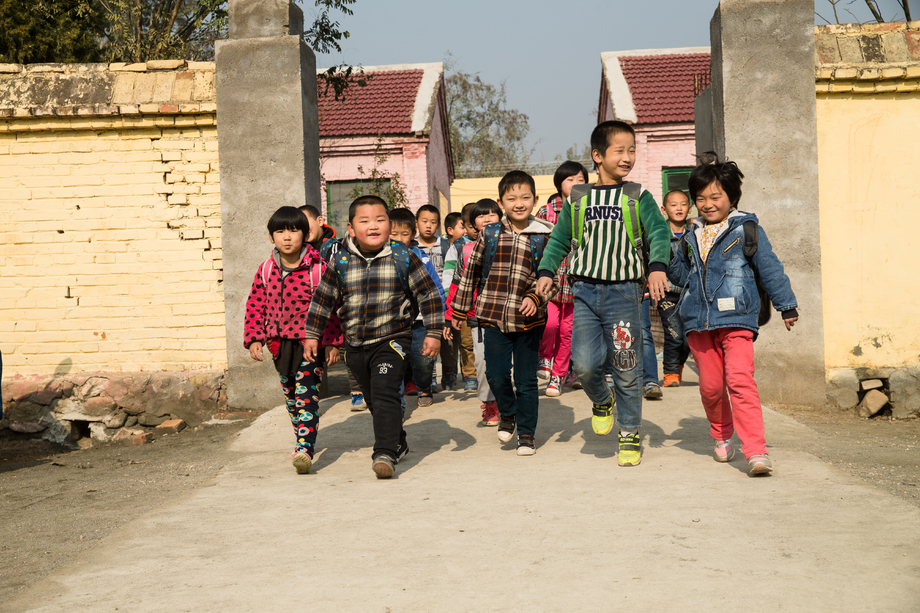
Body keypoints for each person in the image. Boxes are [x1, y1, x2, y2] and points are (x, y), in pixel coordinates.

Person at [536, 120, 671, 467]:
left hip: (624, 294)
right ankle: (601, 399)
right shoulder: (578, 198)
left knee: (627, 367)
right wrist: (547, 272)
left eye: (632, 150)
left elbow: (658, 232)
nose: (627, 157)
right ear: (597, 155)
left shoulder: (638, 196)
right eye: (619, 150)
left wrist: (657, 266)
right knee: (582, 364)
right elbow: (559, 239)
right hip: (584, 292)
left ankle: (629, 433)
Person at [668, 153, 798, 476]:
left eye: (715, 197)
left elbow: (769, 267)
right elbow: (678, 275)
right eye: (701, 199)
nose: (707, 204)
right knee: (711, 387)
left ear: (731, 197)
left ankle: (756, 451)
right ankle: (722, 433)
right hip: (698, 322)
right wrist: (661, 251)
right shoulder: (689, 235)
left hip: (737, 318)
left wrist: (787, 304)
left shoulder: (746, 228)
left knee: (740, 380)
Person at [304, 196, 443, 479]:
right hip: (355, 343)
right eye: (365, 221)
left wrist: (434, 331)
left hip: (393, 338)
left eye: (380, 220)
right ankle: (398, 440)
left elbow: (428, 293)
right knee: (372, 399)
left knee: (384, 392)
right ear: (351, 228)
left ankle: (384, 452)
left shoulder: (403, 255)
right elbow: (323, 299)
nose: (374, 226)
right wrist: (312, 334)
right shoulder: (340, 259)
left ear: (390, 225)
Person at [452, 171, 555, 456]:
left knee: (526, 380)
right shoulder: (490, 233)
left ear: (535, 200)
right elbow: (470, 273)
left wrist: (536, 296)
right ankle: (507, 413)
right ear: (501, 202)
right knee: (496, 375)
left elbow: (555, 279)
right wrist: (458, 311)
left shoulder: (545, 235)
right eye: (511, 198)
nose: (518, 203)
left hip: (528, 321)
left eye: (525, 198)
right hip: (493, 316)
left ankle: (526, 434)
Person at [244, 206, 343, 475]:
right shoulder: (266, 270)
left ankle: (304, 449)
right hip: (279, 344)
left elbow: (332, 306)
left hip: (311, 343)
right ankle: (302, 436)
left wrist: (333, 341)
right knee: (290, 398)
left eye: (294, 230)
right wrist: (255, 338)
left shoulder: (319, 269)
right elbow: (255, 305)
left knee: (306, 396)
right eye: (280, 231)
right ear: (271, 237)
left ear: (306, 234)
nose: (287, 237)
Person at [444, 199, 502, 426]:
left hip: (510, 316)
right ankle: (490, 404)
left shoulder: (511, 243)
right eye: (481, 215)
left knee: (509, 365)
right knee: (482, 363)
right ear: (473, 224)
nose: (487, 218)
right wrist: (451, 317)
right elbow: (457, 285)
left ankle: (507, 403)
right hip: (478, 317)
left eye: (492, 214)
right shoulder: (466, 251)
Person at [536, 161, 588, 397]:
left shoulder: (591, 210)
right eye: (571, 180)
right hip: (552, 282)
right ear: (559, 185)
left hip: (578, 283)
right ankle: (545, 358)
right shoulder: (546, 212)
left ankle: (558, 376)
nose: (577, 184)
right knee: (550, 324)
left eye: (581, 180)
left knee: (568, 332)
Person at [389, 207, 446, 408]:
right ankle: (395, 403)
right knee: (393, 363)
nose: (398, 239)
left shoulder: (420, 257)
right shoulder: (383, 258)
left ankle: (424, 386)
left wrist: (441, 318)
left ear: (413, 235)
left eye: (404, 234)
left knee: (422, 360)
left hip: (421, 320)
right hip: (394, 322)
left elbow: (435, 288)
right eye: (393, 234)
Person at [415, 204, 458, 392]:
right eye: (424, 221)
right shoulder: (412, 247)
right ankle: (429, 377)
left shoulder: (446, 245)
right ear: (417, 223)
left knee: (448, 341)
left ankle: (449, 371)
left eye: (433, 222)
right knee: (426, 339)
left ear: (439, 225)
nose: (428, 226)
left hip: (445, 300)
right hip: (422, 303)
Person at [442, 202, 478, 392]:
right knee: (466, 342)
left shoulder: (491, 242)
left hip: (485, 304)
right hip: (463, 304)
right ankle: (470, 375)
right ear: (464, 225)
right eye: (470, 226)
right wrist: (451, 307)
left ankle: (480, 372)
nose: (475, 229)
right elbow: (449, 279)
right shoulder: (457, 248)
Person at [658, 189, 692, 387]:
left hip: (690, 294)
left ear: (689, 208)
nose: (679, 208)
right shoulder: (659, 236)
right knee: (674, 334)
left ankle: (678, 365)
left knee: (689, 338)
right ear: (664, 209)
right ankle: (670, 372)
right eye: (673, 204)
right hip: (667, 294)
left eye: (683, 204)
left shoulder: (695, 234)